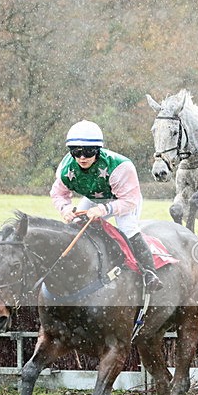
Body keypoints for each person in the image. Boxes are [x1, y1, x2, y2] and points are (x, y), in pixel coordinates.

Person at [50, 120, 163, 292]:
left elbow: (129, 201)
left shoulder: (120, 167)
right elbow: (58, 194)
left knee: (127, 228)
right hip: (94, 199)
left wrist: (104, 210)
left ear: (98, 150)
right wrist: (65, 209)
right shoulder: (66, 168)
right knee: (75, 227)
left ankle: (150, 273)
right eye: (76, 151)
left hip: (123, 200)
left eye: (88, 152)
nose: (81, 157)